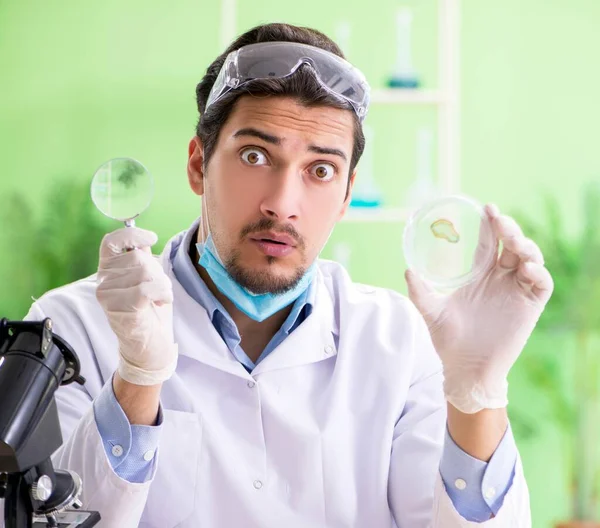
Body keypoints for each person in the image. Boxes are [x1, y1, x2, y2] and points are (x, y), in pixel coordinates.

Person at [22, 23, 551, 527]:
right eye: (255, 155)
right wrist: (136, 378)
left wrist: (479, 392)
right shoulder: (71, 326)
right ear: (197, 162)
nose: (282, 204)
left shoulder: (399, 339)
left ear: (346, 195)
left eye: (320, 170)